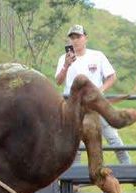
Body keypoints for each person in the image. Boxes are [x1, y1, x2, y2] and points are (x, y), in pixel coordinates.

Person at [55, 24, 131, 165]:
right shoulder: (63, 59)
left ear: (85, 38)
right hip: (74, 106)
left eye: (78, 37)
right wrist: (66, 65)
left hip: (95, 104)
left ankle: (129, 169)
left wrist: (100, 90)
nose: (75, 40)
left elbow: (112, 77)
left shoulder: (97, 56)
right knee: (76, 144)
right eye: (72, 37)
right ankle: (74, 181)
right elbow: (58, 81)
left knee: (113, 137)